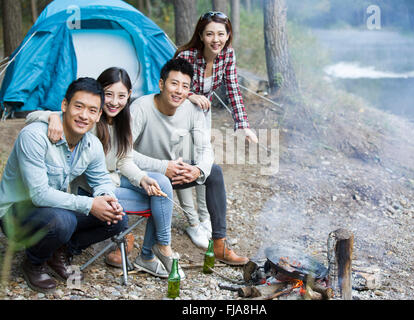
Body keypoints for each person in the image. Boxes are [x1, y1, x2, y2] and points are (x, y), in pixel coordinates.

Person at [25, 67, 181, 279]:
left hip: (111, 181)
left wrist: (143, 179)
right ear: (99, 94)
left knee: (160, 183)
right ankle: (150, 254)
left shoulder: (122, 122)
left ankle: (157, 250)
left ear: (128, 96)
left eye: (121, 96)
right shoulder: (87, 119)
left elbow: (125, 161)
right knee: (158, 202)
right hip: (90, 189)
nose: (114, 102)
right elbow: (32, 117)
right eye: (108, 94)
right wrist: (52, 116)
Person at [0, 77, 126, 293]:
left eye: (92, 110)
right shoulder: (35, 137)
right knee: (63, 220)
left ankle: (60, 252)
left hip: (52, 209)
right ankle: (34, 263)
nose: (84, 115)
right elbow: (39, 195)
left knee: (116, 219)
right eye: (79, 106)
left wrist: (107, 198)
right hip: (16, 213)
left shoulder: (91, 144)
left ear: (98, 116)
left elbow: (101, 180)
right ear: (65, 105)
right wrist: (89, 204)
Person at [131, 58, 249, 266]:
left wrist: (197, 171)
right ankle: (153, 251)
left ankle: (219, 245)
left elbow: (205, 149)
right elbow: (124, 154)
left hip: (173, 173)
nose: (178, 91)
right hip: (142, 176)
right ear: (161, 84)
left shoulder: (192, 110)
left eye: (185, 86)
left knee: (214, 172)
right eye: (173, 83)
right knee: (163, 180)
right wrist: (162, 167)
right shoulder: (141, 107)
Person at [174, 11, 258, 248]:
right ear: (200, 35)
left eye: (221, 34)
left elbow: (233, 89)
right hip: (181, 112)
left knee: (204, 163)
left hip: (203, 112)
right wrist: (190, 95)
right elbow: (172, 88)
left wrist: (243, 125)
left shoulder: (228, 55)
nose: (215, 39)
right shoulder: (187, 56)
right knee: (184, 162)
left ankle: (204, 217)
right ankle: (192, 222)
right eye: (210, 33)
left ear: (228, 35)